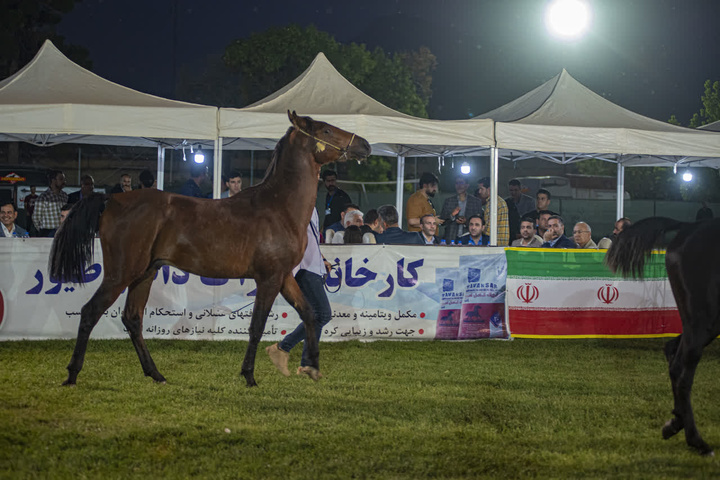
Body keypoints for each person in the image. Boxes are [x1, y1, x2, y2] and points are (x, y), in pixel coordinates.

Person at [266, 208, 332, 378]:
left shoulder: (310, 203)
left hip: (312, 265)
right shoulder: (297, 201)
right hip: (303, 267)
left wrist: (321, 258)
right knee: (322, 314)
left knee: (316, 315)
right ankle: (283, 348)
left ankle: (306, 365)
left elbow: (310, 237)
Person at [438, 176, 483, 243]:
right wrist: (452, 215)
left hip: (470, 238)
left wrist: (466, 221)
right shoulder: (449, 201)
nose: (459, 185)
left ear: (467, 185)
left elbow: (481, 222)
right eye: (457, 183)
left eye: (461, 183)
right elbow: (442, 221)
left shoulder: (476, 202)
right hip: (451, 237)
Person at [475, 177, 509, 245]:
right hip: (499, 243)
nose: (479, 192)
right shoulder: (497, 201)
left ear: (489, 189)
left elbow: (489, 228)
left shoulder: (494, 203)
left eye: (481, 189)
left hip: (494, 243)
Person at [33, 169, 68, 237]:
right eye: (61, 179)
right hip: (47, 232)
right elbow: (36, 218)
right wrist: (43, 232)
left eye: (64, 179)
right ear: (53, 180)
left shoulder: (64, 196)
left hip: (62, 231)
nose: (64, 182)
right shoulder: (43, 198)